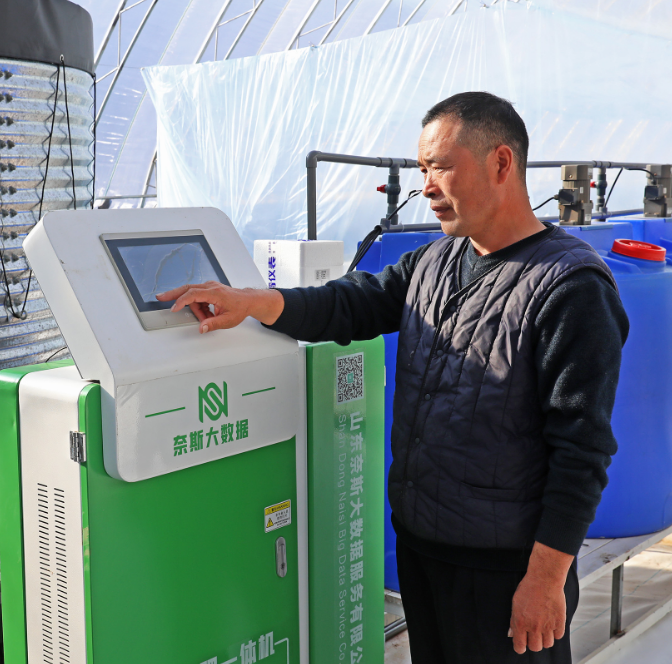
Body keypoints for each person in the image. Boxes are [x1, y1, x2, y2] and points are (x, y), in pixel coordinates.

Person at [158, 92, 628, 663]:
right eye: (421, 169)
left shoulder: (570, 287)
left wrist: (546, 579)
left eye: (440, 167)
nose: (426, 186)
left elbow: (582, 449)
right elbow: (349, 305)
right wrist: (254, 302)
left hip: (504, 571)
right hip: (423, 550)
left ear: (501, 163)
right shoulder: (433, 262)